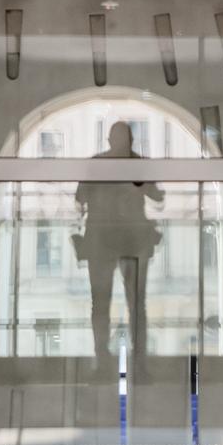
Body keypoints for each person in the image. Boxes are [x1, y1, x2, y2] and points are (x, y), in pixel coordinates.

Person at [74, 121, 164, 366]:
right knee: (133, 304)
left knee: (104, 303)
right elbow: (157, 197)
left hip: (107, 240)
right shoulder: (136, 164)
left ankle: (104, 357)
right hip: (128, 240)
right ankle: (135, 359)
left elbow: (80, 199)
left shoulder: (98, 164)